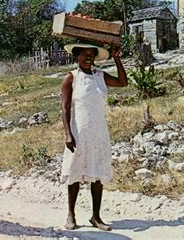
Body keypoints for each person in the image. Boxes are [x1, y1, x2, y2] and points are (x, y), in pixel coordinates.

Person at [60, 43, 128, 231]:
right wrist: (68, 133)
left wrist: (116, 58)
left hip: (98, 132)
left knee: (97, 174)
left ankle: (96, 217)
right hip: (79, 132)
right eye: (84, 54)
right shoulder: (71, 78)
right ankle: (71, 215)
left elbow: (123, 82)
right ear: (77, 56)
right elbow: (65, 108)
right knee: (75, 173)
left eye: (91, 54)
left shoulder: (100, 77)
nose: (88, 57)